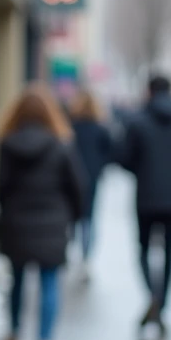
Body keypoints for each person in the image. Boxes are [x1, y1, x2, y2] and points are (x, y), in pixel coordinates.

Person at [0, 84, 85, 340]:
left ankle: (14, 332)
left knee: (17, 281)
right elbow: (77, 186)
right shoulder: (61, 145)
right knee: (49, 283)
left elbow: (1, 188)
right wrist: (74, 217)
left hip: (17, 223)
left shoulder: (7, 145)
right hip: (52, 224)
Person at [118, 74, 171, 332]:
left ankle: (152, 296)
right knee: (169, 251)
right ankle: (162, 305)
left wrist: (142, 171)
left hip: (146, 197)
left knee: (144, 249)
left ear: (149, 91)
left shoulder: (138, 122)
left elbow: (122, 157)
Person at [69, 89, 113, 276]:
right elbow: (110, 152)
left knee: (72, 215)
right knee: (89, 218)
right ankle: (85, 257)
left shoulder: (70, 128)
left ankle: (69, 251)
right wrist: (99, 167)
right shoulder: (100, 129)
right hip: (91, 178)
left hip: (71, 177)